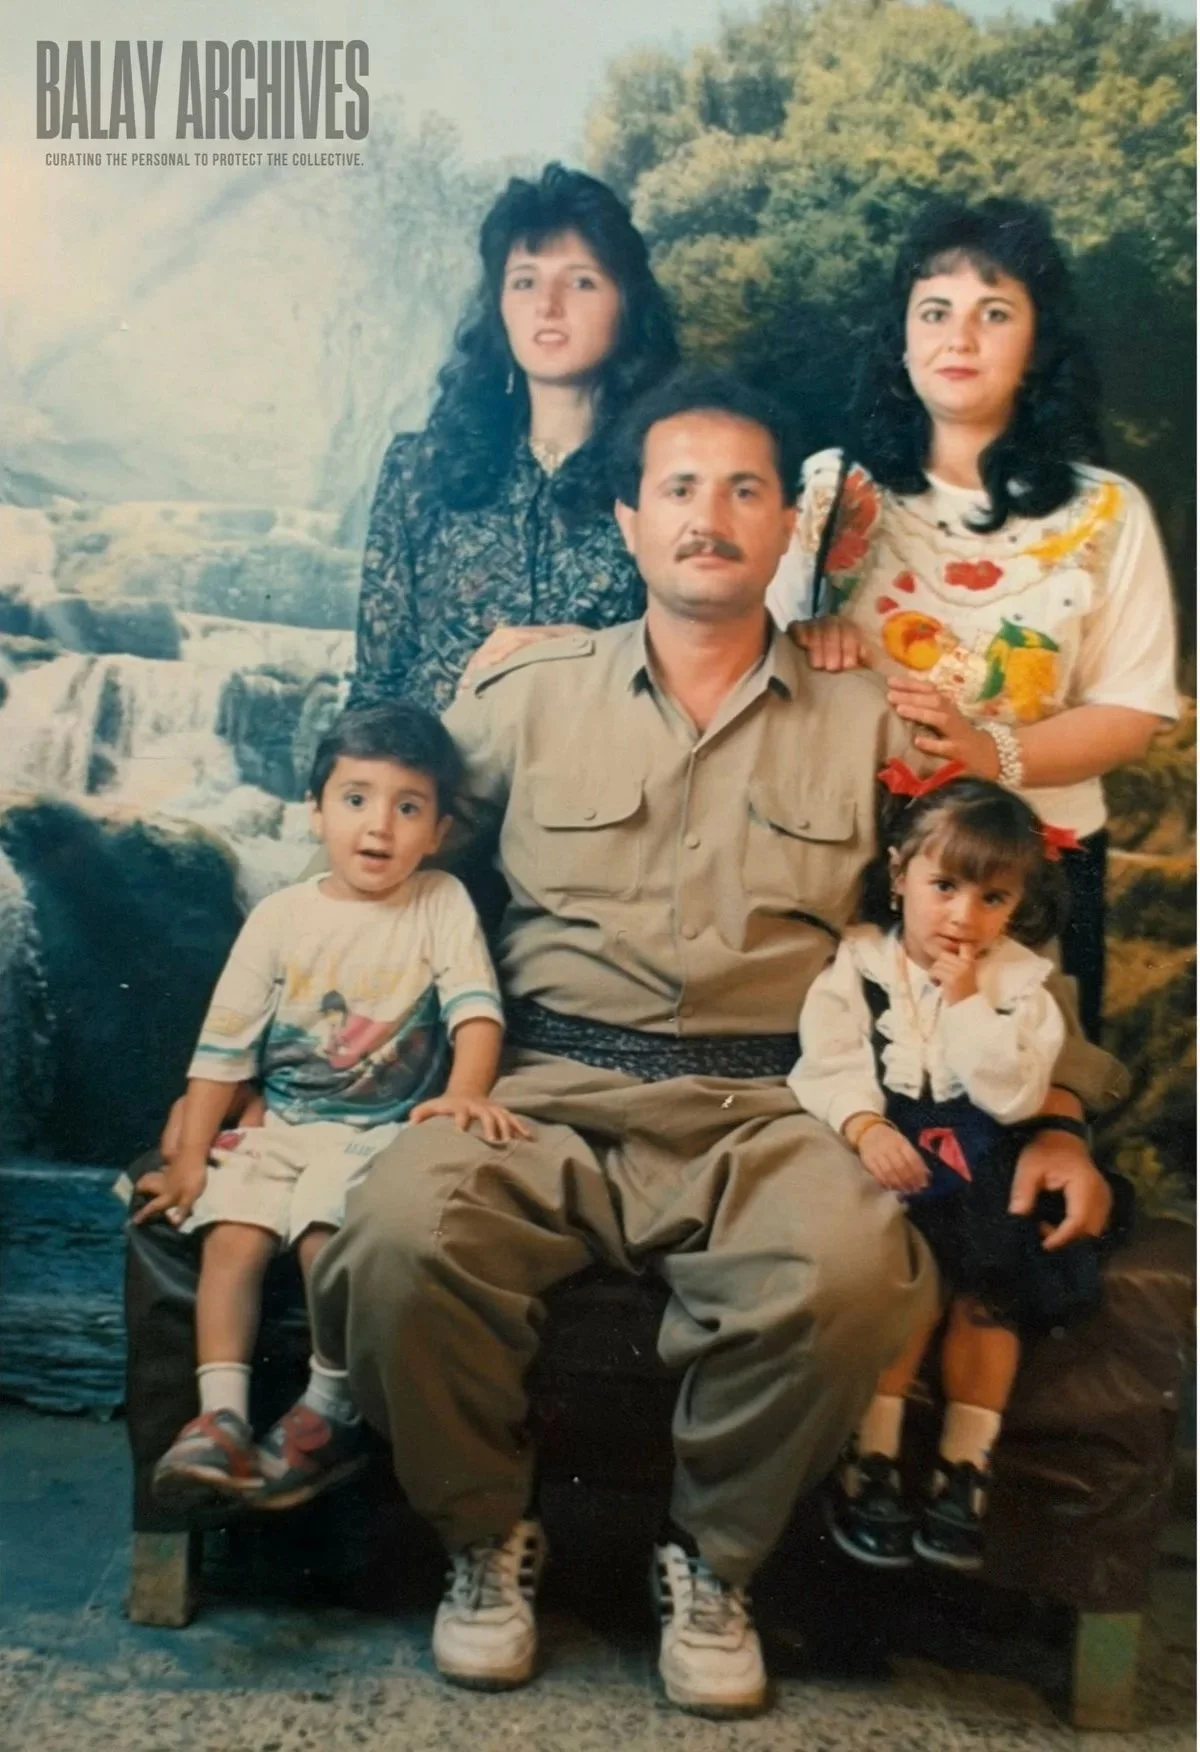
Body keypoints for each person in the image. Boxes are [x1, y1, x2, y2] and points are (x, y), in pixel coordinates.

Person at [309, 369, 1123, 1719]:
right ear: (629, 521)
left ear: (782, 533)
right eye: (679, 487)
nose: (711, 515)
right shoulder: (524, 697)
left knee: (857, 1264)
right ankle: (484, 1544)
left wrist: (1061, 1113)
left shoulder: (873, 722)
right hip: (547, 1090)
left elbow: (988, 917)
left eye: (747, 489)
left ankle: (712, 1562)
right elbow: (375, 859)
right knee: (395, 1233)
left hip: (774, 1103)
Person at [768, 197, 1179, 1039]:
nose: (959, 337)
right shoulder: (830, 491)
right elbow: (754, 668)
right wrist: (805, 643)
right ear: (903, 340)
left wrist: (992, 753)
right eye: (935, 312)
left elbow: (1133, 713)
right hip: (856, 863)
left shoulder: (1106, 513)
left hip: (1034, 873)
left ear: (1037, 345)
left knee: (1023, 1115)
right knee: (861, 1114)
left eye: (995, 313)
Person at [137, 703, 525, 1513]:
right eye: (355, 799)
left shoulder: (439, 901)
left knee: (325, 1235)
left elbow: (475, 1013)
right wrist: (184, 1164)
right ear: (315, 812)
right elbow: (223, 1049)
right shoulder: (281, 917)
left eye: (407, 807)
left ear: (440, 829)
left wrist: (463, 1094)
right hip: (283, 1122)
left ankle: (326, 1410)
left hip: (378, 1135)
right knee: (231, 1233)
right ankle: (222, 1417)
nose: (378, 826)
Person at [791, 768, 1119, 1575]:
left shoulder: (1020, 986)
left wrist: (969, 1000)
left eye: (994, 900)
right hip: (892, 1151)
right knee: (906, 1290)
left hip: (984, 1159)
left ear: (1018, 907)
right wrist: (864, 1126)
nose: (964, 917)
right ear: (900, 874)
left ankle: (963, 1471)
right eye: (944, 887)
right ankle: (870, 1462)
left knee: (988, 1297)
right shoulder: (860, 964)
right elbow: (825, 1062)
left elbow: (1012, 1096)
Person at [347, 161, 680, 717]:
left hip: (610, 792)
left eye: (581, 281)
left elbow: (712, 666)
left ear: (627, 306)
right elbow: (375, 693)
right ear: (498, 307)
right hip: (441, 789)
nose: (548, 306)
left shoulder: (671, 474)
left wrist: (587, 654)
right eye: (524, 281)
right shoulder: (420, 468)